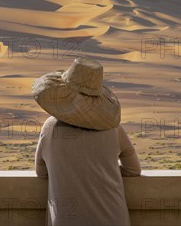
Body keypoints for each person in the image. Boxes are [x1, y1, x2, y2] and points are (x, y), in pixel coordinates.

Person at [32, 57, 142, 226]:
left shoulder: (50, 128)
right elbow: (133, 169)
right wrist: (102, 168)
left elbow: (42, 172)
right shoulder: (113, 129)